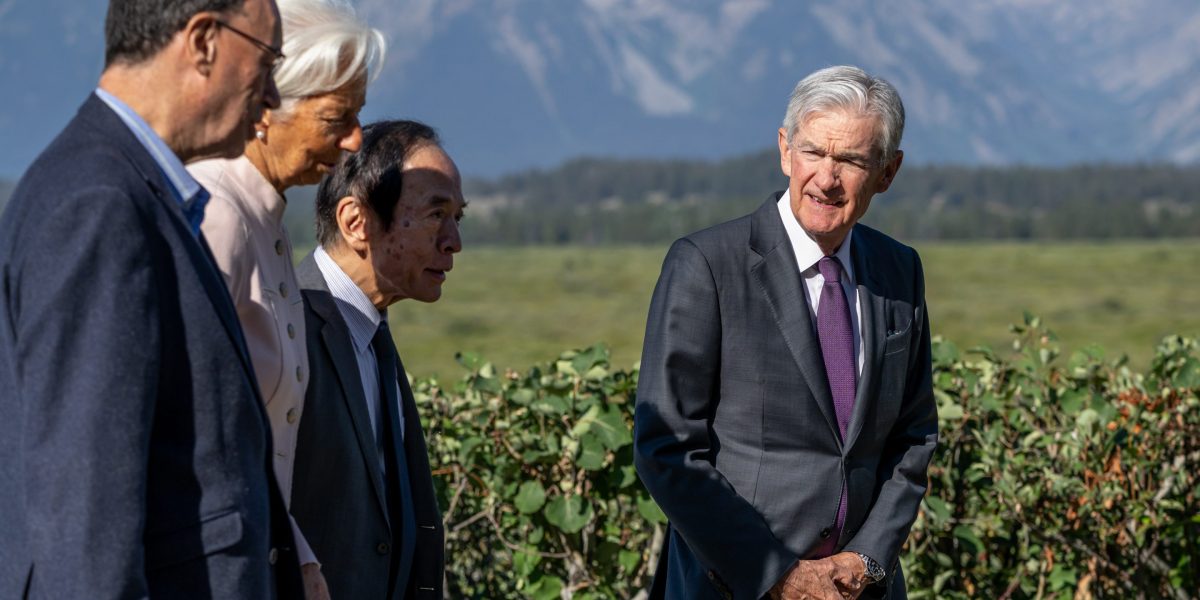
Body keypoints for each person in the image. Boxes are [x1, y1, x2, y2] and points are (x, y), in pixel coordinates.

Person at [0, 0, 304, 597]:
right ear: (204, 41)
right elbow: (87, 515)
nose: (271, 96)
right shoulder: (102, 205)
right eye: (267, 63)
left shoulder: (128, 190)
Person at [633, 65, 938, 600]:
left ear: (888, 172)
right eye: (813, 152)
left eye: (850, 160)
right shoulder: (706, 265)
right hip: (734, 588)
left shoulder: (900, 270)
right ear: (784, 150)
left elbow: (912, 439)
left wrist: (865, 561)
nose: (826, 178)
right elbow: (667, 448)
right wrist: (777, 574)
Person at [188, 0, 385, 595]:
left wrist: (299, 560)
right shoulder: (217, 219)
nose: (355, 139)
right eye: (336, 117)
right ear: (266, 105)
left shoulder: (266, 222)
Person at [290, 119, 463, 599]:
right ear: (355, 222)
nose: (453, 241)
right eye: (436, 214)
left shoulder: (370, 329)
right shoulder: (285, 327)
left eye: (458, 218)